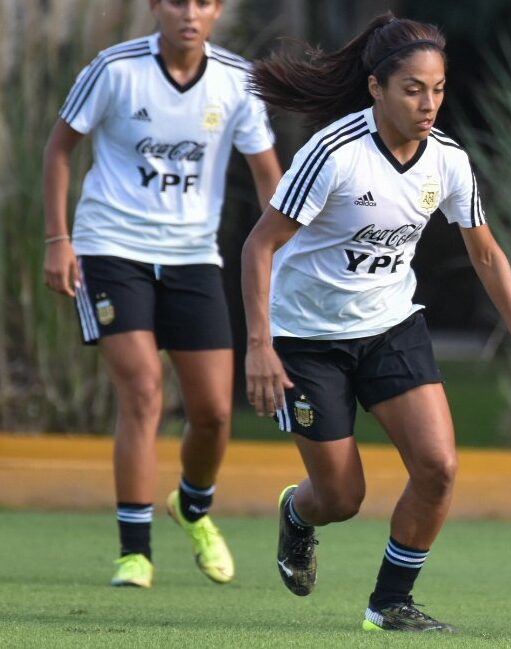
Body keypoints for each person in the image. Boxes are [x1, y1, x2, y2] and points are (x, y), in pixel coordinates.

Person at [241, 13, 511, 633]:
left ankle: (390, 603)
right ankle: (299, 514)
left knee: (439, 466)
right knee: (340, 498)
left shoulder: (448, 160)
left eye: (438, 89)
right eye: (413, 89)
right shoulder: (333, 154)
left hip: (391, 327)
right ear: (376, 89)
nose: (429, 103)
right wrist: (260, 344)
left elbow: (486, 251)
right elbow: (260, 247)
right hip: (307, 340)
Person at [41, 0, 282, 589]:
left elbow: (269, 177)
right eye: (176, 0)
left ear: (218, 10)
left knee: (214, 412)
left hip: (194, 259)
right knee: (144, 390)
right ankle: (135, 552)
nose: (189, 14)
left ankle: (193, 508)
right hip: (110, 249)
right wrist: (57, 239)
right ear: (156, 6)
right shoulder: (114, 69)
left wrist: (290, 254)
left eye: (203, 2)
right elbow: (59, 150)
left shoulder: (236, 81)